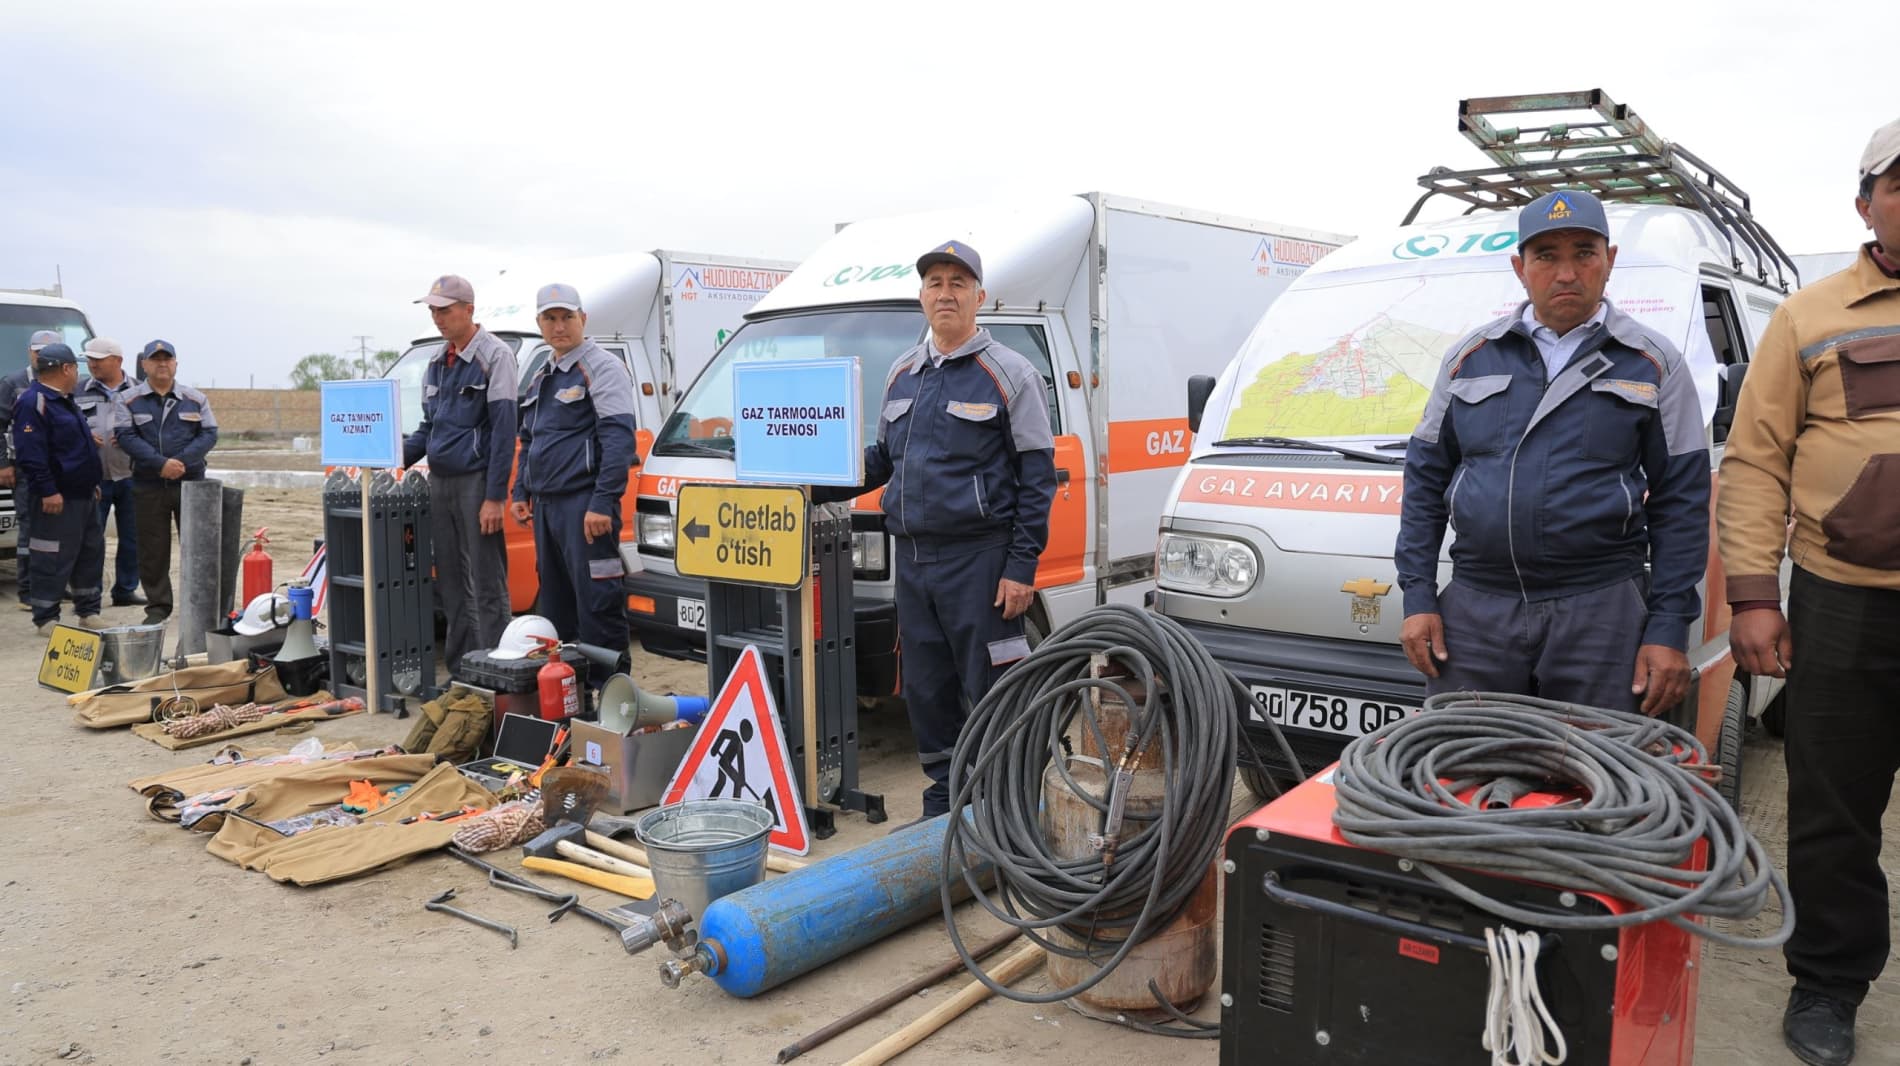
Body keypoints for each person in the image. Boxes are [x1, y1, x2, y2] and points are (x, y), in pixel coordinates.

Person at [1716, 116, 1900, 1066]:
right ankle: (1828, 985)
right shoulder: (1811, 313)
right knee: (1834, 809)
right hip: (1846, 602)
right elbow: (1753, 463)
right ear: (1865, 202)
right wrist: (1755, 595)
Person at [1396, 189, 1708, 716]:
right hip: (1476, 612)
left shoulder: (1652, 364)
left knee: (1598, 780)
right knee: (1459, 772)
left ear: (1609, 261)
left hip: (1601, 612)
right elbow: (1425, 481)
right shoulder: (1470, 359)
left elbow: (1682, 502)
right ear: (1520, 267)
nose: (1566, 273)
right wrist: (1418, 596)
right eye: (1546, 256)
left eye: (1584, 252)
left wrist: (1668, 625)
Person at [814, 241, 1057, 819]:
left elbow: (1037, 479)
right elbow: (882, 460)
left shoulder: (1010, 374)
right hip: (915, 563)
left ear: (980, 296)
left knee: (994, 687)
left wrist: (1021, 567)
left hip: (982, 560)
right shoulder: (904, 373)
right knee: (926, 689)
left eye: (957, 282)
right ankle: (945, 800)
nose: (944, 292)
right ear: (921, 296)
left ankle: (1008, 804)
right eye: (934, 282)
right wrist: (810, 485)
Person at [508, 283, 634, 686]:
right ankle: (572, 694)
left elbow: (618, 441)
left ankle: (611, 696)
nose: (559, 326)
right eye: (550, 318)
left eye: (566, 317)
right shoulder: (544, 374)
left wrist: (602, 501)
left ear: (584, 319)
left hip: (585, 508)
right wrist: (521, 493)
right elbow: (529, 439)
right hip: (546, 508)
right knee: (557, 608)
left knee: (598, 604)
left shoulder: (600, 368)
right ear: (539, 323)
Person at [403, 274, 518, 666]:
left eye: (445, 310)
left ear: (468, 310)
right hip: (441, 482)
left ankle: (497, 668)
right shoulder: (437, 363)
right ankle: (463, 668)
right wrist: (390, 457)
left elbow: (504, 431)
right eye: (434, 310)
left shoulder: (495, 356)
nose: (438, 318)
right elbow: (427, 428)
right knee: (450, 581)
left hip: (476, 481)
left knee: (485, 581)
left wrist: (494, 497)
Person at [114, 340, 219, 626]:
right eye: (155, 359)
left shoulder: (195, 398)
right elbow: (126, 436)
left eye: (167, 359)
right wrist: (160, 464)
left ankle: (201, 605)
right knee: (152, 549)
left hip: (191, 485)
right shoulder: (128, 399)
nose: (162, 364)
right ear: (144, 365)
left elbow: (209, 434)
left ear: (175, 364)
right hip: (148, 484)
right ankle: (158, 607)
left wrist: (181, 462)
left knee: (198, 547)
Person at [11, 343, 105, 633]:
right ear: (66, 369)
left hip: (84, 496)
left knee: (90, 553)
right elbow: (31, 454)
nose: (78, 373)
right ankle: (46, 617)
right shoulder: (33, 401)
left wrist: (92, 484)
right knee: (51, 556)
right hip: (56, 498)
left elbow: (75, 446)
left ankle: (88, 611)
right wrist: (48, 490)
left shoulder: (65, 400)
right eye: (77, 367)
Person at [77, 337, 144, 607]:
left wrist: (132, 436)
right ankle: (89, 592)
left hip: (131, 475)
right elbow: (66, 424)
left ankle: (126, 589)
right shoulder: (78, 390)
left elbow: (152, 429)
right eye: (89, 360)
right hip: (94, 478)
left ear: (117, 361)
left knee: (133, 537)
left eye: (98, 359)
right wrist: (82, 436)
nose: (92, 364)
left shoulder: (141, 391)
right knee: (91, 539)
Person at [3, 329, 63, 611]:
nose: (43, 357)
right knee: (29, 529)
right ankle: (27, 590)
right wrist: (3, 463)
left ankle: (52, 586)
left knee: (57, 531)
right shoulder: (13, 383)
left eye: (49, 352)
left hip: (59, 470)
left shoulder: (65, 383)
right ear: (30, 352)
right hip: (26, 468)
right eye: (39, 352)